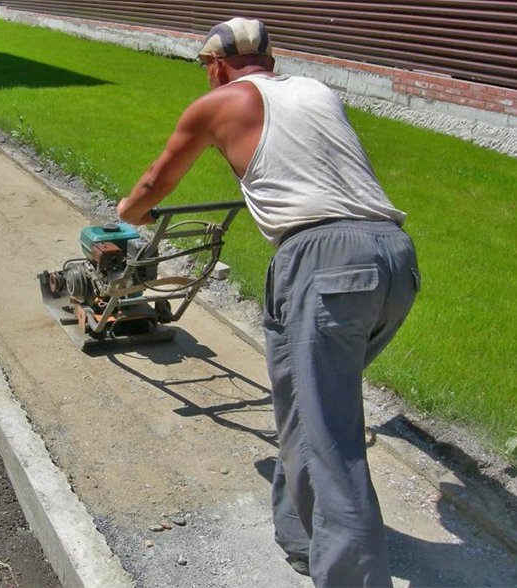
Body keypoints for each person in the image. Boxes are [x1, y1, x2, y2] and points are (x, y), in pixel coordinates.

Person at [117, 17, 420, 588]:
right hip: (393, 258)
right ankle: (302, 540)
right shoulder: (316, 90)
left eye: (207, 69)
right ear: (272, 59)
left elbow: (158, 181)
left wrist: (125, 217)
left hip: (322, 262)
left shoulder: (220, 101)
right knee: (304, 402)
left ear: (215, 65)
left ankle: (350, 579)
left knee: (331, 437)